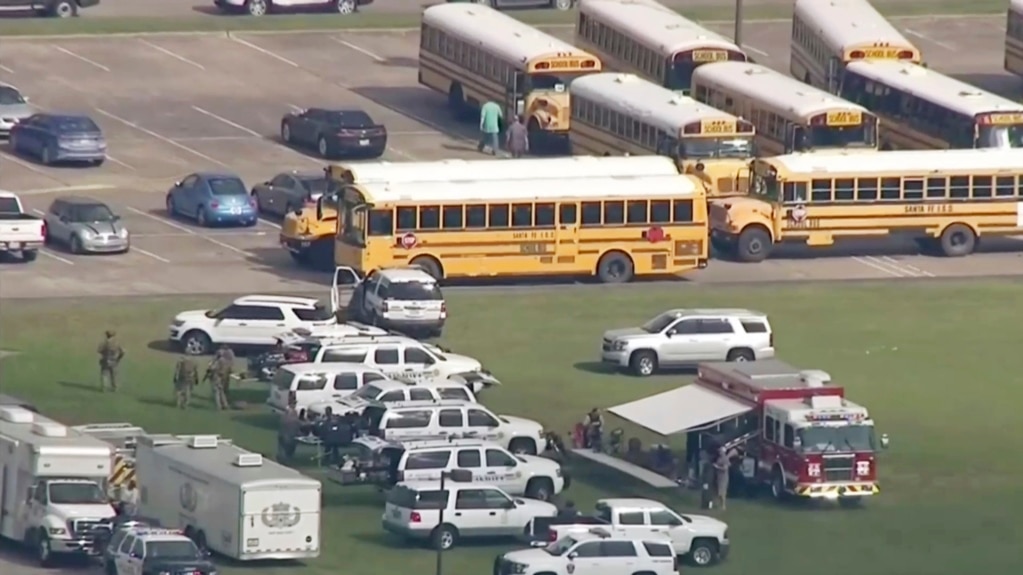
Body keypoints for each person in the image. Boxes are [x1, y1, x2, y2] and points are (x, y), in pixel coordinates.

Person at [207, 345, 234, 410]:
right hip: (223, 377)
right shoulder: (226, 361)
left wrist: (210, 367)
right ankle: (225, 404)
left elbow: (214, 368)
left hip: (217, 377)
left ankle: (218, 406)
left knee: (216, 392)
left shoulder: (219, 361)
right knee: (222, 391)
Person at [713, 446, 731, 510]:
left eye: (720, 451)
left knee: (722, 492)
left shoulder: (725, 459)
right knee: (718, 492)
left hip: (724, 477)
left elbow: (725, 468)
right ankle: (719, 505)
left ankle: (723, 505)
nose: (719, 452)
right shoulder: (719, 458)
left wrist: (717, 467)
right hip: (719, 477)